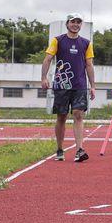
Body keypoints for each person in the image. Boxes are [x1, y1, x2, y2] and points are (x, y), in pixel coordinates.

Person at [40, 14, 96, 163]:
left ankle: (79, 150)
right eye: (73, 22)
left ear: (80, 25)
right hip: (61, 85)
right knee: (61, 117)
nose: (75, 24)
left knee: (78, 114)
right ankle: (59, 149)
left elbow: (89, 65)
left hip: (79, 85)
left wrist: (93, 86)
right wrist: (44, 77)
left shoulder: (86, 43)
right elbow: (47, 59)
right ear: (67, 24)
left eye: (78, 22)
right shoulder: (57, 40)